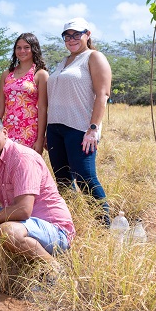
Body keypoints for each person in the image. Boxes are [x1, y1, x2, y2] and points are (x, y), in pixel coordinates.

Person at [0, 114, 75, 272]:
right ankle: (19, 252)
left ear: (4, 132)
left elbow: (23, 210)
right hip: (23, 225)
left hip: (55, 232)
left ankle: (54, 268)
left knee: (7, 231)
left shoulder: (22, 158)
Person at [46, 17, 111, 226]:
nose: (72, 39)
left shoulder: (94, 57)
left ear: (87, 34)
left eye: (77, 34)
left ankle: (104, 226)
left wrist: (93, 129)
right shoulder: (63, 62)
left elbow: (103, 94)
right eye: (67, 35)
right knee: (63, 179)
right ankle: (71, 222)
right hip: (55, 128)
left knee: (85, 178)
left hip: (79, 128)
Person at [0, 33, 48, 154]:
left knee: (26, 168)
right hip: (7, 129)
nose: (22, 51)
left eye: (26, 47)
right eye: (18, 47)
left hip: (29, 130)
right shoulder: (6, 74)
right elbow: (0, 106)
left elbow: (43, 108)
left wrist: (40, 139)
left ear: (34, 49)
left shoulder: (40, 74)